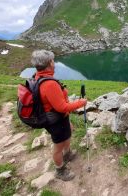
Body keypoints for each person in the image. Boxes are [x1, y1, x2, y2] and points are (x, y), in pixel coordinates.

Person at [31, 50, 87, 181]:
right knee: (58, 147)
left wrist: (67, 120)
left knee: (69, 132)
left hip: (57, 118)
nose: (54, 63)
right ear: (49, 63)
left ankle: (67, 154)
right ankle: (59, 170)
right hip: (56, 121)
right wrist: (81, 103)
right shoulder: (49, 84)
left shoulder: (39, 76)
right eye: (53, 61)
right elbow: (62, 107)